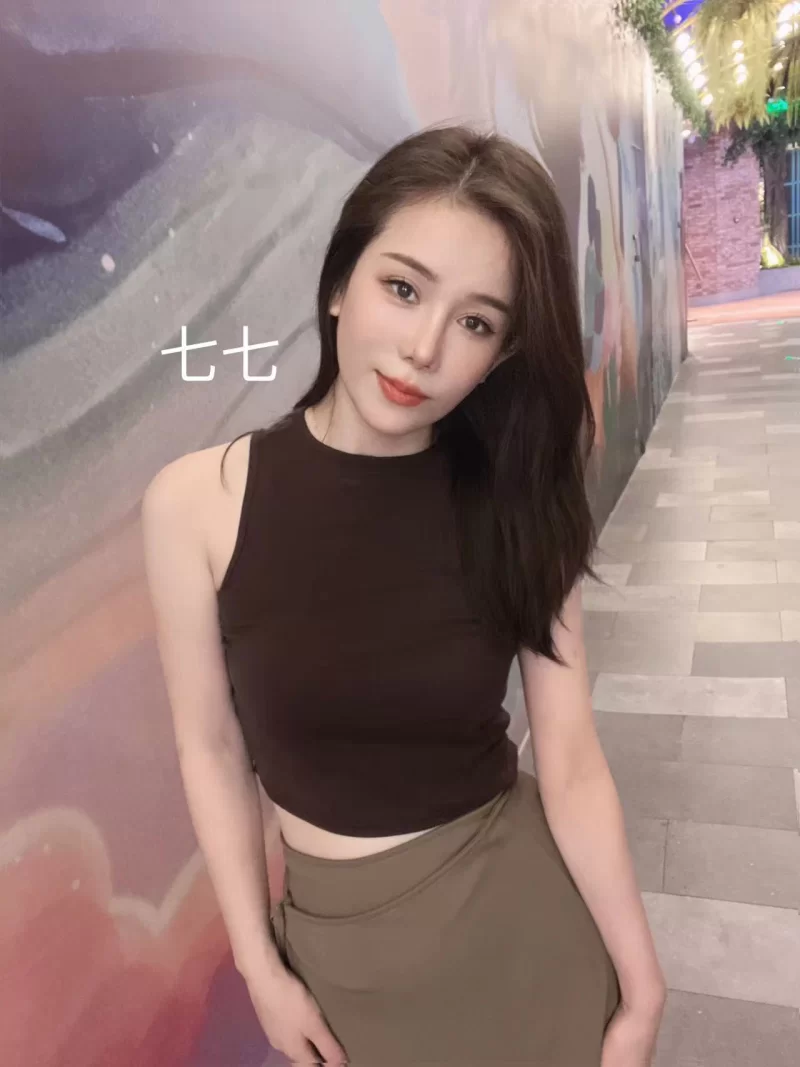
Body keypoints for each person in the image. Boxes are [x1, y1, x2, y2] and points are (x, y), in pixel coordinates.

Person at [141, 124, 667, 1066]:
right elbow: (210, 747)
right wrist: (260, 968)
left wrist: (641, 989)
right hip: (339, 970)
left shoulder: (519, 502)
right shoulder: (194, 504)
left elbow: (572, 761)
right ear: (340, 283)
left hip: (527, 948)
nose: (424, 348)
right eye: (404, 288)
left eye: (476, 322)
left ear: (500, 354)